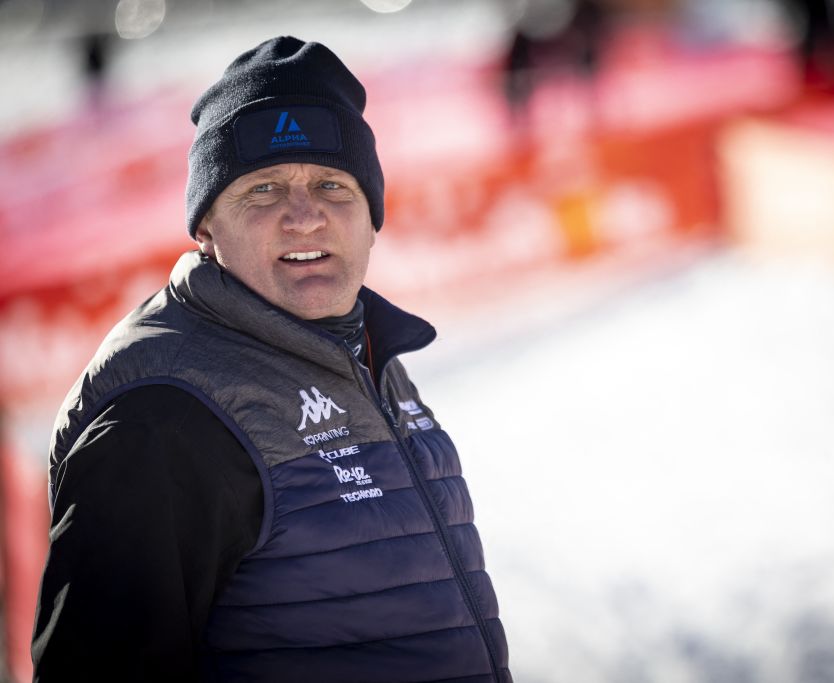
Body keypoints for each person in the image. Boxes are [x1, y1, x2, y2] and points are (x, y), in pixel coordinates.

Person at [31, 36, 512, 683]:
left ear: (372, 214)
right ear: (206, 227)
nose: (304, 216)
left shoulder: (366, 357)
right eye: (263, 190)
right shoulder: (164, 416)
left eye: (331, 184)